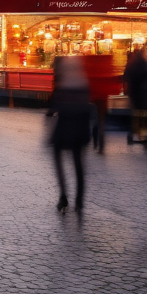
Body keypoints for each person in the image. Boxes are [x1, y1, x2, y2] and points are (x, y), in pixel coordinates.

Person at [47, 56, 90, 214]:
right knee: (78, 164)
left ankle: (63, 195)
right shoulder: (84, 84)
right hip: (80, 131)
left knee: (58, 160)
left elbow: (53, 107)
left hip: (64, 129)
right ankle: (79, 199)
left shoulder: (63, 85)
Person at [122, 45, 147, 145]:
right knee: (144, 114)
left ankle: (132, 133)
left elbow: (125, 77)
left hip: (133, 92)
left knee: (134, 113)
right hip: (143, 93)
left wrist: (126, 89)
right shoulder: (146, 65)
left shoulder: (130, 65)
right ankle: (144, 135)